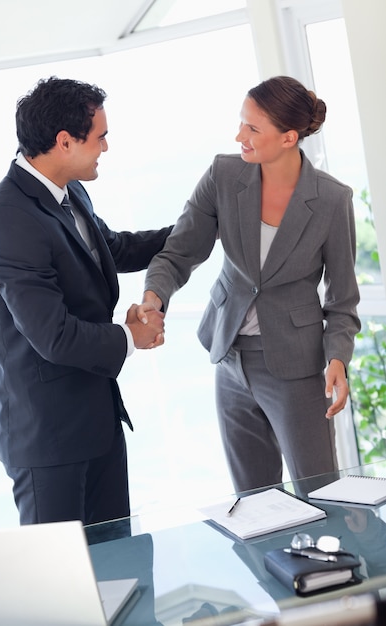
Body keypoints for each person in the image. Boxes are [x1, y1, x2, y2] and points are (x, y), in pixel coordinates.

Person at [142, 75, 360, 493]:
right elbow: (179, 251)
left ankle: (330, 561)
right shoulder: (224, 175)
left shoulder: (332, 199)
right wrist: (154, 298)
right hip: (229, 358)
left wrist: (337, 359)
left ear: (288, 137)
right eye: (242, 122)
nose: (239, 135)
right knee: (254, 501)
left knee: (320, 493)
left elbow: (342, 299)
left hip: (295, 368)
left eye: (253, 128)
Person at [0, 76, 172, 525]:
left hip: (98, 424)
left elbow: (110, 248)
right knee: (60, 585)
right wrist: (131, 336)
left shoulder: (70, 189)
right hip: (49, 442)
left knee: (122, 565)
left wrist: (191, 235)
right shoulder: (5, 221)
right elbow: (54, 336)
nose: (105, 147)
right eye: (100, 136)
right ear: (65, 141)